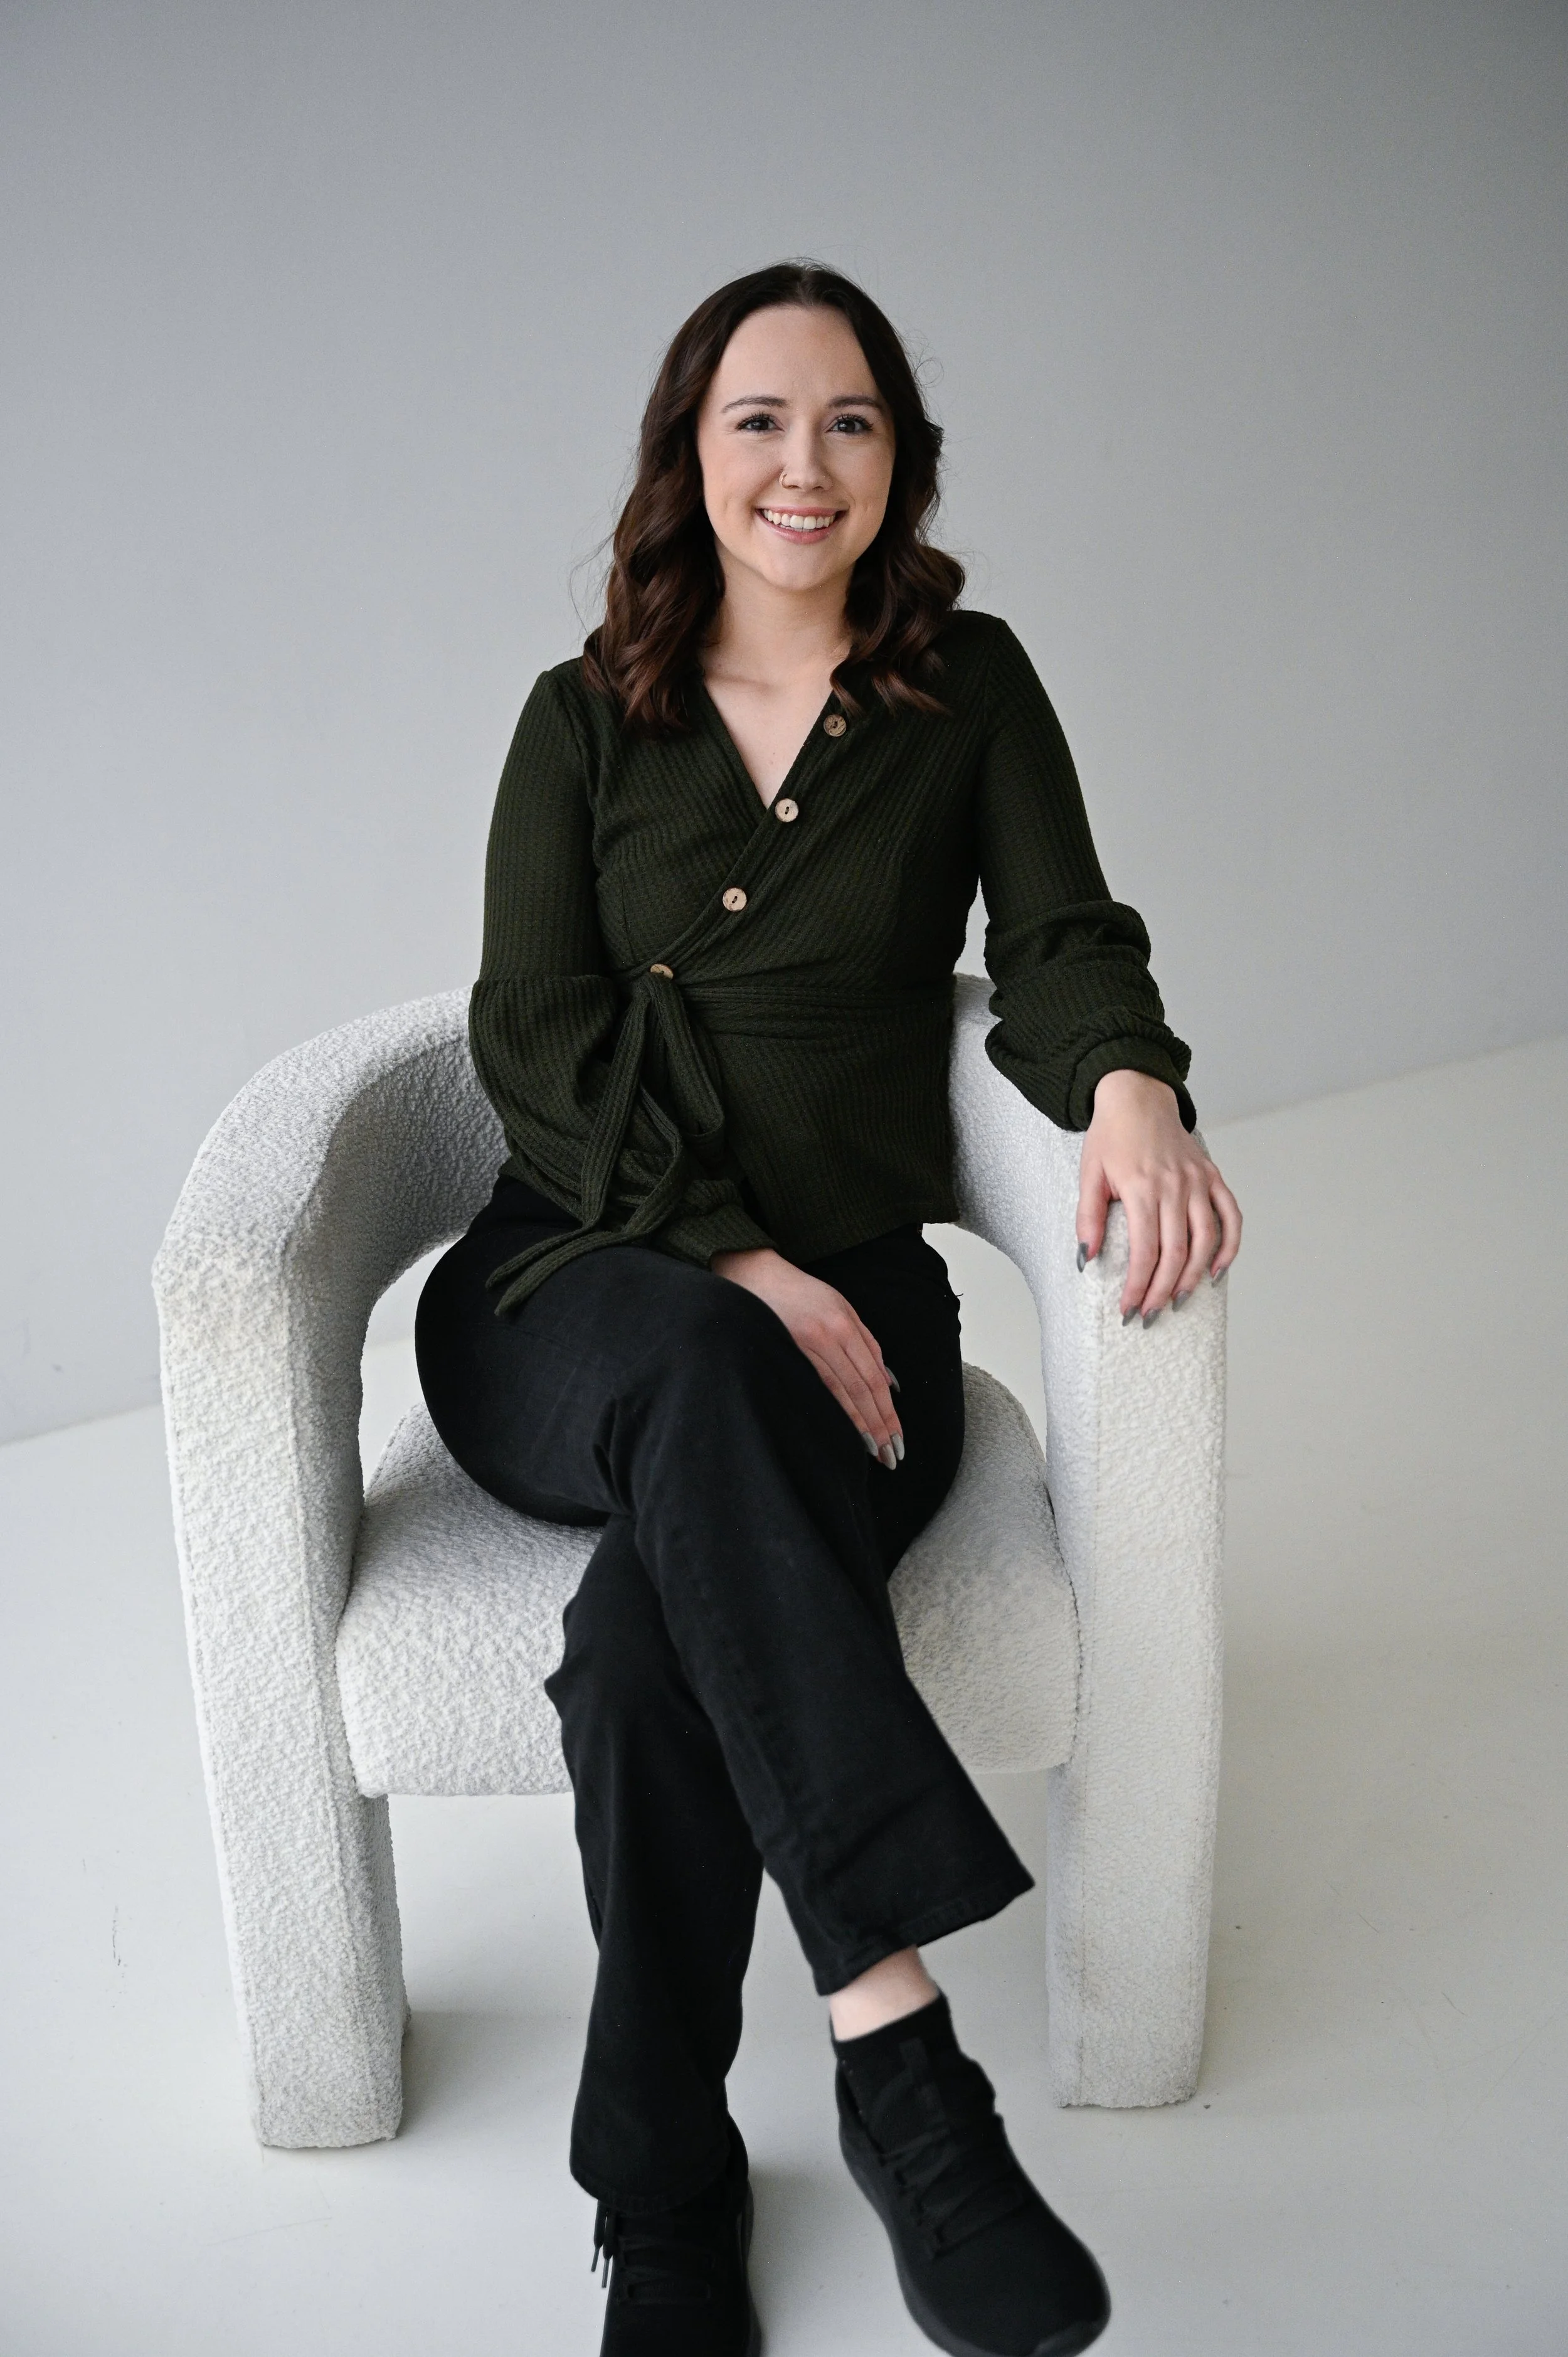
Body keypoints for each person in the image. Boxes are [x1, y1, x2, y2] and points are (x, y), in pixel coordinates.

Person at [415, 260, 1242, 2357]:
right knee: (702, 1353)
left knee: (637, 1654)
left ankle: (664, 2193)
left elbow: (1061, 936)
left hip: (859, 1319)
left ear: (900, 464)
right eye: (759, 421)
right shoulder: (578, 715)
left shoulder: (968, 689)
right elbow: (529, 1028)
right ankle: (902, 2063)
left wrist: (1129, 1078)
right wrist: (733, 1256)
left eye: (850, 421)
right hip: (571, 1277)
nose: (805, 463)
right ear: (689, 459)